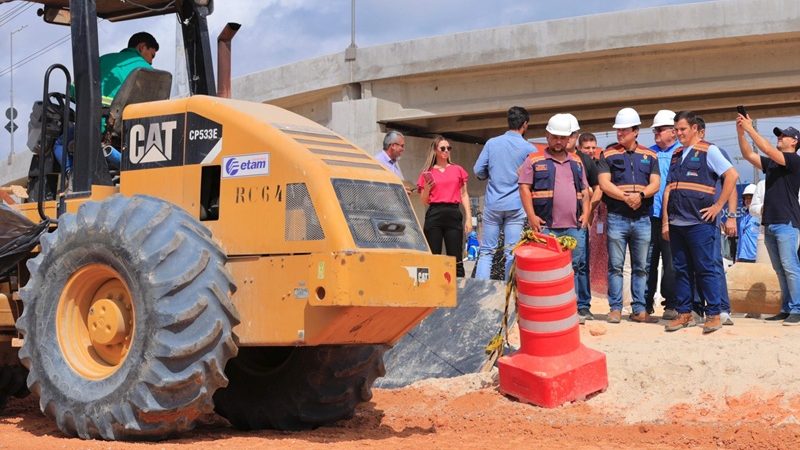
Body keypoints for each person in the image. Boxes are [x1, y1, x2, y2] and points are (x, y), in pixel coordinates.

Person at [663, 110, 738, 334]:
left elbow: (732, 175)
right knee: (682, 270)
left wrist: (718, 206)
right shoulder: (677, 154)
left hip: (699, 223)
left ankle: (714, 313)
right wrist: (667, 220)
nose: (678, 134)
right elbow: (669, 188)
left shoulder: (709, 150)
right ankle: (685, 313)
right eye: (676, 130)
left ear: (695, 129)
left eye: (682, 129)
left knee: (706, 269)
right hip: (678, 222)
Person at [518, 114, 590, 321]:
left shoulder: (576, 161)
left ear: (568, 138)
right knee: (546, 272)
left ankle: (570, 311)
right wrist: (531, 216)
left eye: (563, 138)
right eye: (555, 137)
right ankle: (548, 313)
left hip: (574, 226)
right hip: (546, 226)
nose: (559, 141)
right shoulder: (534, 160)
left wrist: (585, 213)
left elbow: (585, 190)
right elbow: (524, 187)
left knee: (573, 269)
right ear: (547, 136)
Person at [54, 32, 161, 172]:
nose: (151, 61)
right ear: (142, 47)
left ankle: (73, 178)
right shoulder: (154, 74)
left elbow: (74, 91)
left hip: (104, 128)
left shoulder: (106, 61)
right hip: (138, 132)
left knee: (60, 144)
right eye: (151, 55)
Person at [597, 108, 660, 324]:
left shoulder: (650, 155)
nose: (619, 133)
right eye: (618, 130)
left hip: (642, 219)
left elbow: (655, 183)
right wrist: (626, 197)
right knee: (615, 266)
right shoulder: (608, 155)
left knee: (641, 267)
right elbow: (605, 183)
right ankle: (615, 308)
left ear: (635, 131)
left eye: (624, 130)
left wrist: (641, 195)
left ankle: (639, 309)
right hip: (617, 217)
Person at [736, 115, 800, 325]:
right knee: (780, 269)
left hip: (787, 222)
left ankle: (797, 309)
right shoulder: (773, 163)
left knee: (791, 267)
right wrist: (741, 132)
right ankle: (787, 308)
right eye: (779, 135)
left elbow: (767, 149)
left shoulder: (793, 161)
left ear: (795, 141)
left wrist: (751, 129)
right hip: (770, 222)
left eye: (784, 136)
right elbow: (748, 155)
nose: (780, 138)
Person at [473, 106, 533, 280]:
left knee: (486, 252)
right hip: (516, 205)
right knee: (511, 252)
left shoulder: (492, 143)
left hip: (493, 204)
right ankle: (509, 297)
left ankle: (479, 297)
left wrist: (488, 174)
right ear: (525, 124)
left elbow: (478, 170)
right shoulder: (528, 149)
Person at [418, 136, 473, 277]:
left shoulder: (457, 170)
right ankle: (433, 291)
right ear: (435, 150)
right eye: (443, 148)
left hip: (453, 213)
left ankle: (460, 291)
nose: (446, 151)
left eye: (449, 148)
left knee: (455, 257)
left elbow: (464, 194)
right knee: (434, 256)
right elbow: (424, 201)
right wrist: (427, 189)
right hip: (434, 213)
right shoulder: (427, 172)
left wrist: (468, 218)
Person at [646, 110, 680, 319]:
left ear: (673, 132)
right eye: (655, 130)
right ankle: (645, 303)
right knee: (647, 262)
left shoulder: (683, 152)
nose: (656, 133)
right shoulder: (648, 153)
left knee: (671, 263)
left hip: (673, 217)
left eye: (660, 129)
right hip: (649, 216)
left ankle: (671, 304)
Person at [565, 117, 597, 322]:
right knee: (563, 265)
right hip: (557, 221)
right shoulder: (547, 158)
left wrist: (588, 211)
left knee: (581, 264)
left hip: (578, 221)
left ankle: (583, 306)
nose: (565, 139)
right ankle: (566, 305)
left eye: (569, 135)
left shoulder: (584, 161)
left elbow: (596, 187)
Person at [737, 184, 760, 263]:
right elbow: (740, 238)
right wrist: (738, 256)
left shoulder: (761, 216)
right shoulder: (743, 218)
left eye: (751, 197)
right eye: (746, 198)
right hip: (742, 257)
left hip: (756, 257)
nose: (748, 200)